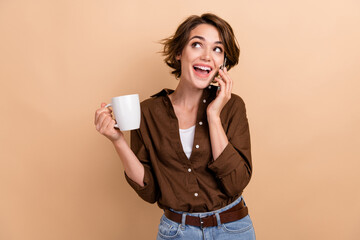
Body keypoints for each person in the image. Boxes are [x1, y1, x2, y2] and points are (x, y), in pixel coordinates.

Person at [95, 13, 255, 240]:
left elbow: (236, 182)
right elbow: (149, 190)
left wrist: (213, 116)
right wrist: (117, 140)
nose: (207, 56)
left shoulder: (232, 106)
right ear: (179, 53)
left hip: (232, 229)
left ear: (223, 64)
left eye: (217, 49)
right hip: (177, 232)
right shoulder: (148, 113)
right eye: (197, 44)